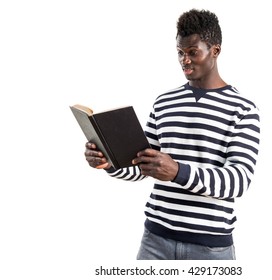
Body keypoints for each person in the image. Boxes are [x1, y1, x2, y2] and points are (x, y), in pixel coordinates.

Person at [84, 9, 260, 260]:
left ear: (215, 51)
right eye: (180, 52)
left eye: (192, 52)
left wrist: (178, 171)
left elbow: (238, 181)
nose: (184, 60)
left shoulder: (242, 109)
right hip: (155, 242)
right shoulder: (164, 102)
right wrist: (108, 162)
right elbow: (142, 166)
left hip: (210, 249)